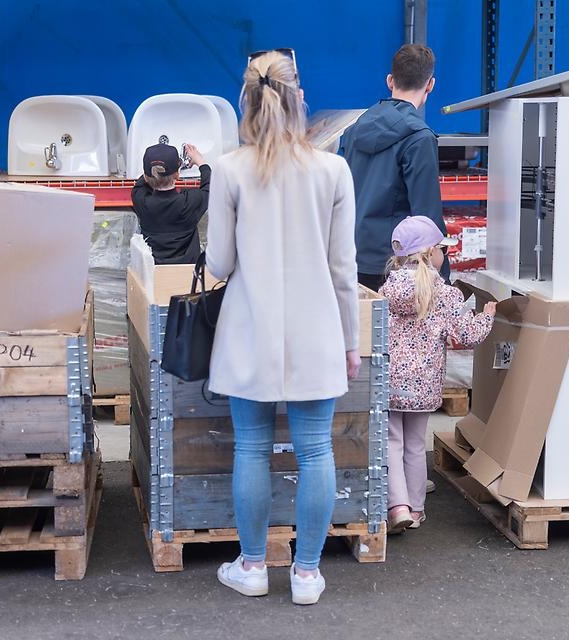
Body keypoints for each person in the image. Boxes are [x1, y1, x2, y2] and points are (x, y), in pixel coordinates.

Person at [206, 49, 359, 606]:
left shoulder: (229, 169)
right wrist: (351, 342)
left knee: (250, 448)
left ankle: (251, 566)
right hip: (317, 329)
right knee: (316, 450)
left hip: (249, 330)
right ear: (300, 97)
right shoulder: (332, 170)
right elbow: (344, 269)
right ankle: (307, 574)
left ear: (246, 100)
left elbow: (219, 264)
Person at [379, 216, 494, 533]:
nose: (445, 255)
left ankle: (397, 505)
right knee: (416, 445)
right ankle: (416, 510)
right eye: (442, 249)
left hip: (388, 381)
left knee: (391, 442)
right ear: (430, 254)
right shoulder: (444, 295)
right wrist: (487, 316)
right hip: (424, 384)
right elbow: (468, 335)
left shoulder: (387, 291)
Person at [339, 43, 449, 291]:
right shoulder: (420, 138)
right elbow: (426, 216)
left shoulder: (352, 131)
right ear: (430, 84)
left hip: (350, 260)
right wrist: (444, 278)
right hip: (397, 267)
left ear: (390, 80)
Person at [131, 142, 209, 264]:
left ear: (146, 176)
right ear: (177, 174)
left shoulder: (140, 199)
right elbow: (210, 186)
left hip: (153, 274)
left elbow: (142, 182)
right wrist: (201, 162)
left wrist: (154, 171)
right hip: (186, 273)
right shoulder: (190, 201)